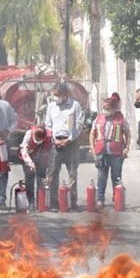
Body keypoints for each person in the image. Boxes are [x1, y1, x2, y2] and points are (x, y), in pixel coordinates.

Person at [45, 82, 84, 211]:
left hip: (71, 144)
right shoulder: (51, 106)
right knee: (53, 173)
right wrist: (53, 140)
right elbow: (48, 125)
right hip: (55, 144)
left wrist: (70, 139)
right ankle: (55, 202)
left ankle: (72, 201)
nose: (56, 97)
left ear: (65, 94)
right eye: (54, 95)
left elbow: (79, 125)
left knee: (72, 173)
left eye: (58, 95)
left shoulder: (75, 106)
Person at [89, 96, 131, 209]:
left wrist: (126, 148)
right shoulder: (98, 119)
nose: (105, 110)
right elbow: (92, 134)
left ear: (113, 109)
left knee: (116, 177)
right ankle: (100, 199)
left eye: (107, 108)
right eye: (103, 108)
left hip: (116, 153)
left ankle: (117, 198)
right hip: (101, 152)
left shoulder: (121, 119)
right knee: (101, 177)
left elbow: (127, 133)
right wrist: (92, 148)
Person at [19, 125, 55, 211]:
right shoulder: (29, 134)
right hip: (28, 159)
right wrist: (30, 164)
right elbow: (24, 151)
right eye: (37, 139)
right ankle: (31, 203)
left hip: (42, 160)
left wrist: (49, 173)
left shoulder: (50, 138)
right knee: (29, 181)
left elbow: (52, 157)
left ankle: (41, 203)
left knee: (41, 181)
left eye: (40, 139)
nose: (38, 141)